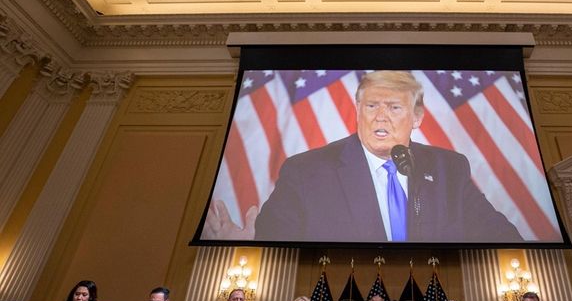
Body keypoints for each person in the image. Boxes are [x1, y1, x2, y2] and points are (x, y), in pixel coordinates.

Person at [205, 70, 520, 243]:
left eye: (394, 107)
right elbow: (274, 238)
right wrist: (246, 245)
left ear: (417, 116)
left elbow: (504, 237)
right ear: (357, 111)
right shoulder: (306, 170)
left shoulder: (448, 168)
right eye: (371, 106)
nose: (380, 118)